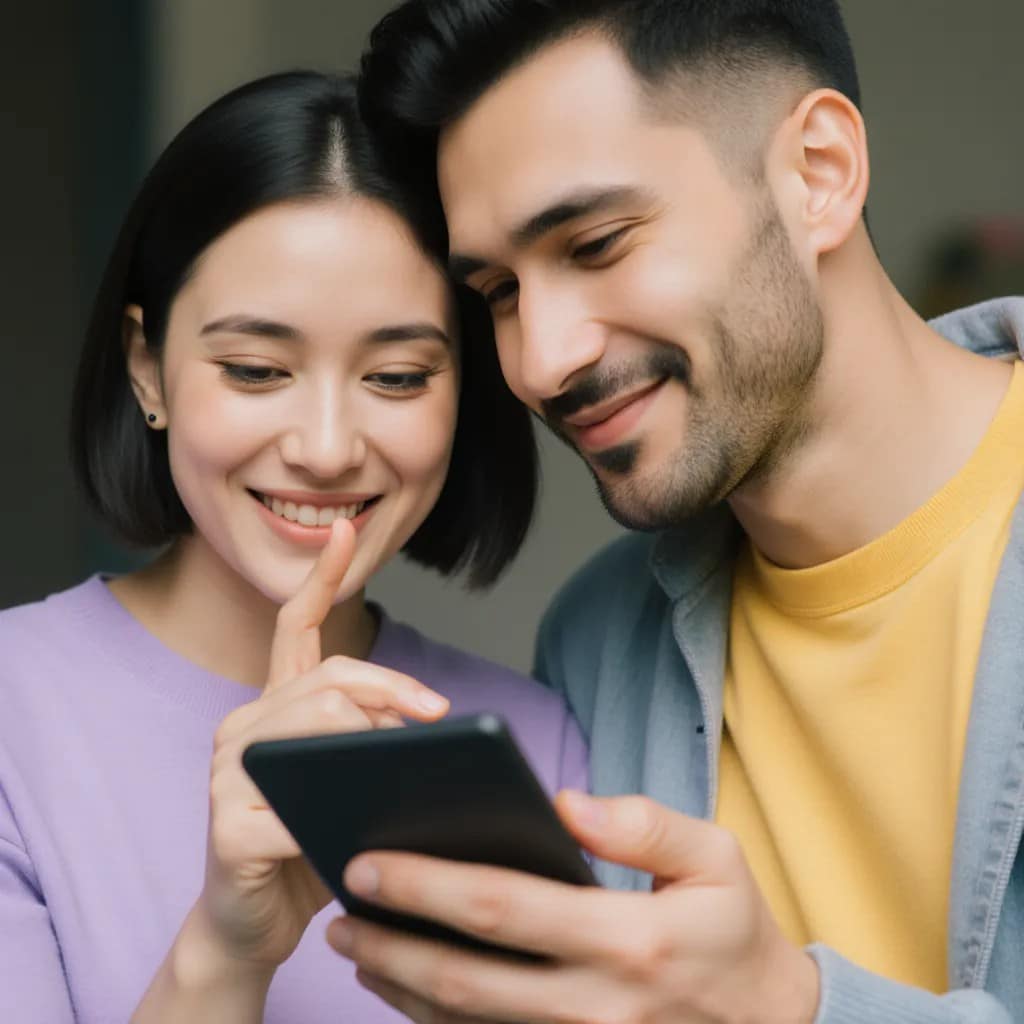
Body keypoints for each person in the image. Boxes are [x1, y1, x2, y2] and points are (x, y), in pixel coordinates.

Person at [326, 2, 1024, 1021]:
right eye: (499, 293)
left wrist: (791, 1006)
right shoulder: (597, 640)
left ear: (818, 174)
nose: (537, 360)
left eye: (596, 242)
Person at [0, 70, 588, 1024]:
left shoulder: (542, 745)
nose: (325, 448)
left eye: (397, 377)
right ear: (147, 366)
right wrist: (224, 951)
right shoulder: (13, 717)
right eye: (257, 370)